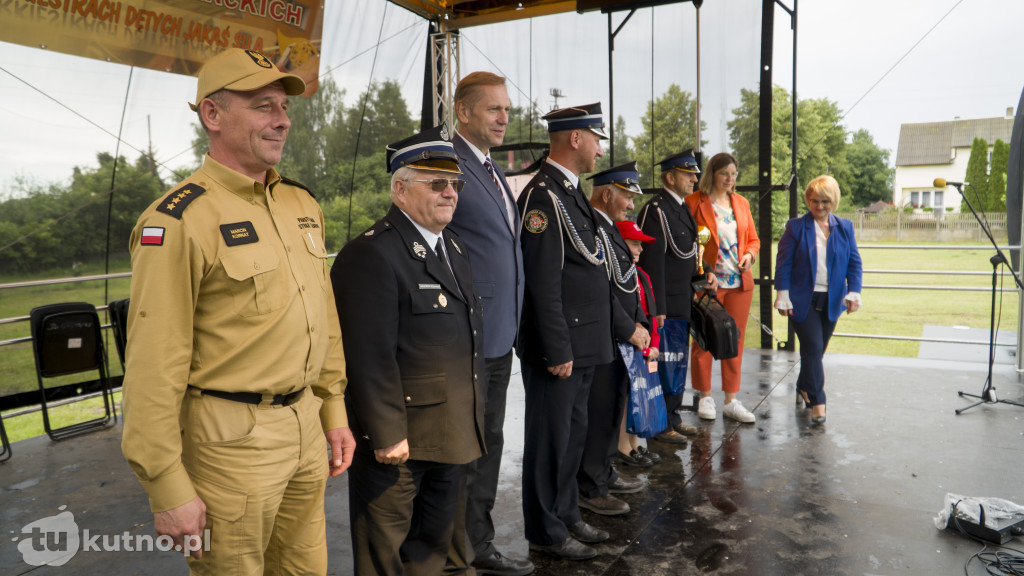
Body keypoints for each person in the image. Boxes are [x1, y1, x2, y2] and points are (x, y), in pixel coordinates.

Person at [120, 48, 355, 575]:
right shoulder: (178, 220)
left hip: (305, 427)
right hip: (229, 446)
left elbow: (324, 317)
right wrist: (166, 485)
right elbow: (153, 366)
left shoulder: (301, 204)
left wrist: (332, 409)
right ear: (212, 114)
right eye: (263, 106)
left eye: (284, 107)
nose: (282, 120)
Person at [331, 125, 487, 575]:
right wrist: (386, 433)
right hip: (399, 443)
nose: (450, 193)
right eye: (436, 183)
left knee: (429, 554)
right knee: (384, 559)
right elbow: (367, 356)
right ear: (400, 190)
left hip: (450, 432)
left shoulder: (452, 246)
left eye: (455, 184)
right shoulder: (372, 253)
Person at [517, 102, 614, 561]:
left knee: (572, 437)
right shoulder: (543, 196)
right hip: (560, 346)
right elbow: (542, 282)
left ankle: (567, 513)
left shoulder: (568, 192)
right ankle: (546, 532)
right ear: (575, 138)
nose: (600, 150)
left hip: (583, 341)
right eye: (596, 139)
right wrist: (557, 348)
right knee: (549, 442)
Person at [445, 71, 532, 576]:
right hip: (467, 335)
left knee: (490, 440)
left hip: (499, 333)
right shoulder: (448, 164)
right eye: (493, 109)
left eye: (507, 109)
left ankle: (475, 542)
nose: (504, 118)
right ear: (463, 111)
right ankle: (459, 550)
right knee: (467, 446)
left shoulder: (492, 168)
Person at [577, 161, 649, 517]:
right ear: (607, 194)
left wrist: (639, 322)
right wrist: (628, 328)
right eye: (627, 197)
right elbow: (599, 290)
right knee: (600, 411)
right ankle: (591, 486)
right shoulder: (593, 229)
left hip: (618, 336)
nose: (631, 206)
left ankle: (604, 472)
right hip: (603, 334)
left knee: (612, 408)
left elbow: (626, 283)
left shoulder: (608, 228)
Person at [636, 149, 714, 444]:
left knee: (677, 365)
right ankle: (659, 424)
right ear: (670, 177)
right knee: (662, 367)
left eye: (695, 174)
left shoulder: (681, 207)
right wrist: (656, 308)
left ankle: (672, 418)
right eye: (688, 174)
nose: (695, 179)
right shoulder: (655, 211)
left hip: (683, 301)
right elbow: (651, 266)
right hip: (665, 307)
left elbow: (689, 253)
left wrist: (706, 272)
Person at [773, 175, 863, 425]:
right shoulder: (795, 227)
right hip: (802, 300)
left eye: (825, 201)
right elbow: (783, 264)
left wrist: (854, 291)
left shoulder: (845, 227)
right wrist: (782, 294)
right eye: (814, 201)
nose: (819, 206)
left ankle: (803, 386)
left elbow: (854, 262)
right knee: (812, 348)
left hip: (832, 301)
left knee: (816, 352)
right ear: (807, 200)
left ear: (833, 201)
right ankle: (818, 400)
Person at [684, 152, 760, 423]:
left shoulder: (741, 203)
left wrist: (749, 255)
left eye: (733, 174)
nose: (730, 179)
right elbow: (688, 242)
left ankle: (731, 400)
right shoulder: (694, 202)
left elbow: (753, 240)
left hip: (739, 284)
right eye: (724, 173)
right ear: (712, 174)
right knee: (703, 338)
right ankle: (704, 395)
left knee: (734, 340)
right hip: (708, 284)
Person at [614, 220, 662, 468]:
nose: (640, 249)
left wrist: (654, 344)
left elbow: (651, 314)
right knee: (625, 398)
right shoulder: (618, 275)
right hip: (625, 346)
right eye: (634, 244)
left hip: (642, 348)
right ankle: (623, 447)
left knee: (636, 396)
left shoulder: (641, 275)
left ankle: (633, 443)